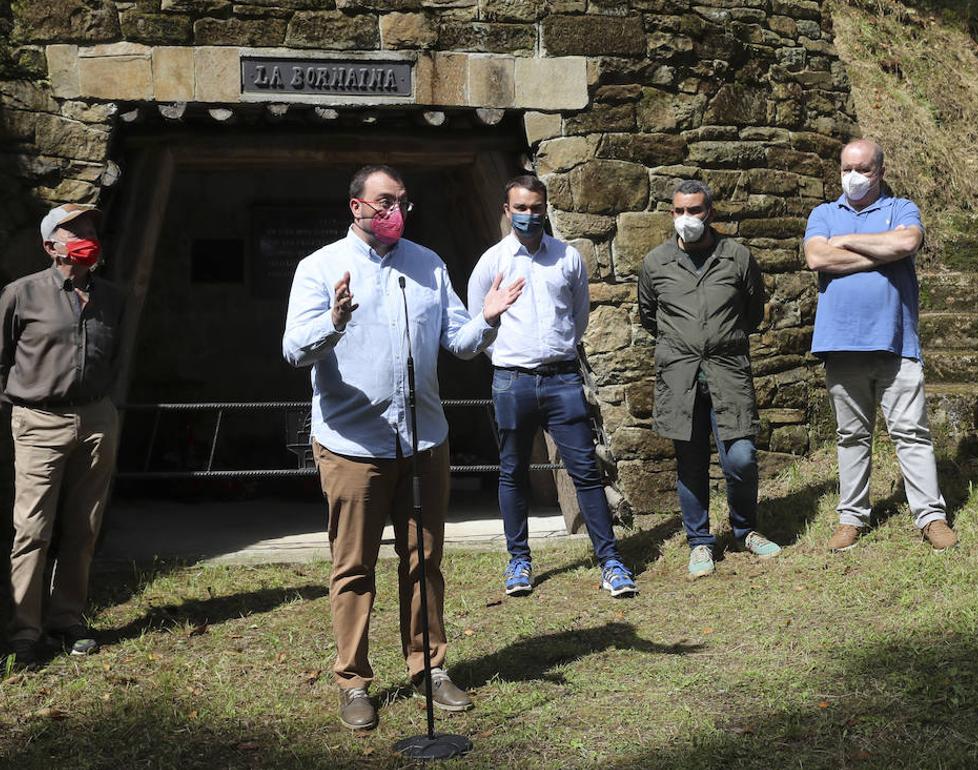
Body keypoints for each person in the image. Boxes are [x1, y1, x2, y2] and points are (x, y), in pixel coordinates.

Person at [282, 165, 523, 731]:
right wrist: (334, 321)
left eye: (402, 202)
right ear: (356, 207)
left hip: (423, 440)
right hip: (351, 444)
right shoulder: (318, 268)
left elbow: (459, 343)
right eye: (385, 201)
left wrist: (487, 319)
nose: (395, 211)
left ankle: (429, 668)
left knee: (424, 560)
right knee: (353, 567)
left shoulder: (428, 264)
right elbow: (295, 350)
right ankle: (354, 681)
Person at [467, 176, 637, 598]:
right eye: (520, 208)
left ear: (546, 208)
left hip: (562, 379)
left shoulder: (568, 258)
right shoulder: (491, 263)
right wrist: (510, 361)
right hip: (512, 381)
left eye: (535, 207)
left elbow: (578, 319)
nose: (528, 215)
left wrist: (554, 354)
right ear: (506, 211)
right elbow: (478, 324)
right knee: (512, 472)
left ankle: (610, 562)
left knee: (585, 471)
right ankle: (519, 561)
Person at [803, 138, 958, 552]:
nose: (852, 177)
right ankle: (851, 518)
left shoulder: (901, 209)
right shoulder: (823, 213)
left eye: (863, 170)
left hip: (896, 341)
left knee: (911, 432)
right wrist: (879, 251)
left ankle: (930, 516)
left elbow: (906, 243)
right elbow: (817, 258)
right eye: (846, 169)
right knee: (851, 436)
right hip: (840, 343)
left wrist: (846, 242)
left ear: (881, 172)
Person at [637, 180, 782, 579]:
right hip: (680, 374)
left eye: (695, 211)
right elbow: (649, 315)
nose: (688, 219)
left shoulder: (736, 258)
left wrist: (719, 338)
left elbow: (753, 313)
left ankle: (744, 529)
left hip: (727, 370)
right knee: (691, 461)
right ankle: (700, 542)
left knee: (741, 457)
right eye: (680, 211)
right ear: (671, 214)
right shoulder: (655, 263)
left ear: (710, 213)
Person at [2, 203, 125, 667]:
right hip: (38, 421)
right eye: (75, 229)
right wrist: (23, 409)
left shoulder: (113, 298)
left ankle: (68, 619)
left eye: (91, 226)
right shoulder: (21, 294)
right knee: (32, 529)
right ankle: (24, 632)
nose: (87, 234)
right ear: (50, 244)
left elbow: (113, 358)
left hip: (96, 420)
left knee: (84, 526)